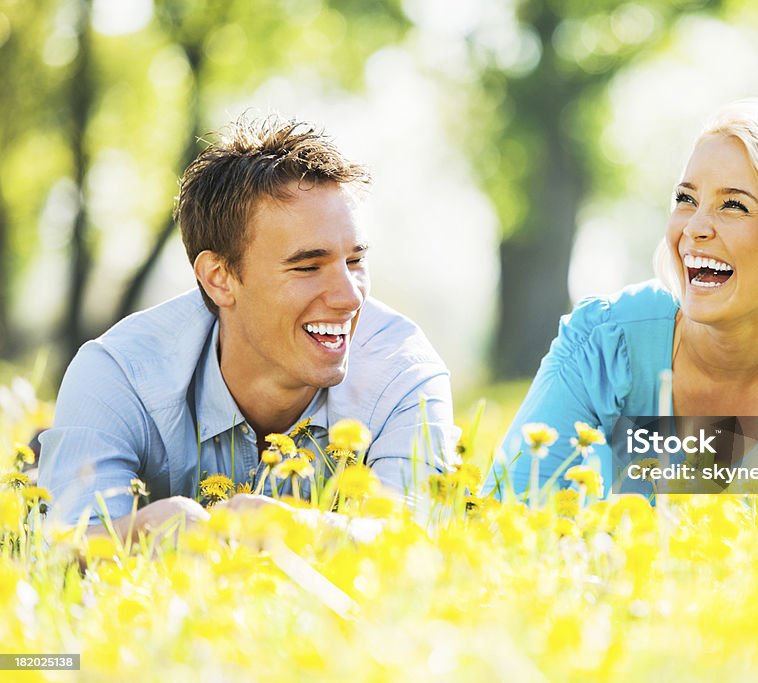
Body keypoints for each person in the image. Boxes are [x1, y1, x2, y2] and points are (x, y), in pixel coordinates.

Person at [39, 115, 458, 537]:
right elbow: (62, 550)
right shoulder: (119, 373)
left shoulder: (404, 374)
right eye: (308, 266)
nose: (350, 297)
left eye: (355, 261)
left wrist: (293, 530)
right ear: (220, 278)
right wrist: (142, 531)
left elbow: (413, 542)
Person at [500, 100, 758, 496]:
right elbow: (510, 510)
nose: (694, 227)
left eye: (733, 206)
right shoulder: (602, 339)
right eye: (686, 199)